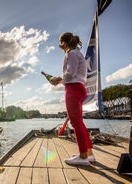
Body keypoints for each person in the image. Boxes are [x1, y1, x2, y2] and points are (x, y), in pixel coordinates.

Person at [50, 32, 95, 166]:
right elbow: (72, 74)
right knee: (79, 122)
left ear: (64, 43)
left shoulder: (72, 53)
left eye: (60, 43)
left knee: (76, 123)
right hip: (79, 88)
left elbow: (70, 74)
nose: (60, 46)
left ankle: (82, 157)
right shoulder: (77, 53)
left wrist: (57, 79)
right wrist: (60, 80)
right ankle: (89, 154)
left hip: (73, 89)